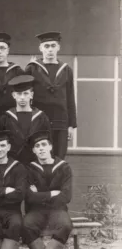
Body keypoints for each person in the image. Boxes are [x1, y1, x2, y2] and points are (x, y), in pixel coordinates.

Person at [24, 130, 73, 249]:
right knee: (26, 225)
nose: (41, 148)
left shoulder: (64, 167)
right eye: (37, 146)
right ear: (34, 150)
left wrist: (39, 194)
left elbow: (66, 196)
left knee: (65, 225)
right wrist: (52, 193)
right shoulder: (29, 169)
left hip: (57, 210)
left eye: (44, 144)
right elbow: (29, 197)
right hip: (36, 211)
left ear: (50, 147)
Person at [26, 31, 77, 159]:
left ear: (58, 47)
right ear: (41, 48)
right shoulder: (32, 68)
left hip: (61, 120)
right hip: (39, 120)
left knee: (59, 157)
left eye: (53, 46)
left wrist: (71, 125)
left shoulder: (66, 70)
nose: (50, 49)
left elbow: (70, 97)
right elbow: (26, 97)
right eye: (46, 46)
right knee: (38, 157)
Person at [0, 75, 51, 163]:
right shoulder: (6, 118)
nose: (22, 97)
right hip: (13, 165)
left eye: (26, 93)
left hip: (35, 164)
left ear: (31, 95)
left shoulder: (41, 117)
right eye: (19, 94)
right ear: (13, 95)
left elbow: (49, 142)